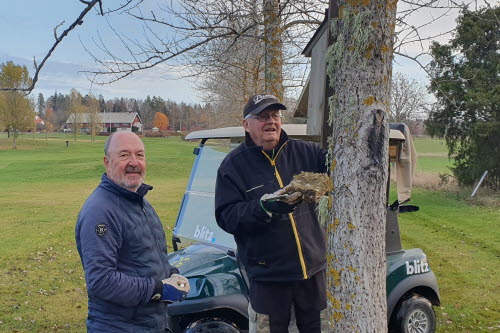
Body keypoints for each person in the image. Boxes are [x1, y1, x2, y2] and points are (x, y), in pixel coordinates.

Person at [215, 94, 327, 333]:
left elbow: (337, 166)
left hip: (312, 271)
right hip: (268, 276)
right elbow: (226, 216)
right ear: (246, 125)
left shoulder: (306, 152)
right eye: (263, 116)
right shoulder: (233, 166)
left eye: (275, 116)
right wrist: (264, 207)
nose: (271, 122)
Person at [75, 131, 190, 332]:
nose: (134, 162)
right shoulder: (100, 212)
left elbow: (144, 256)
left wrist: (171, 274)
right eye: (124, 155)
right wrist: (159, 289)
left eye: (140, 154)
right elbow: (101, 282)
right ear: (107, 162)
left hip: (149, 323)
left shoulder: (139, 201)